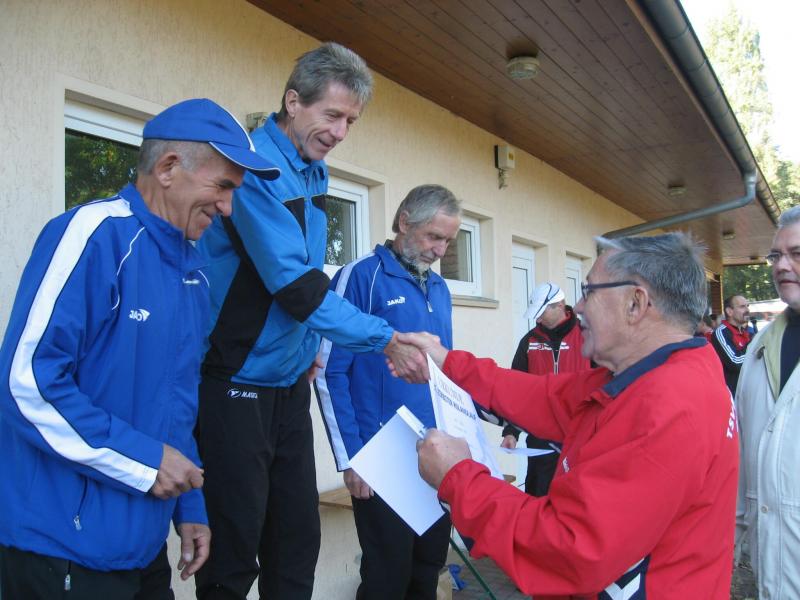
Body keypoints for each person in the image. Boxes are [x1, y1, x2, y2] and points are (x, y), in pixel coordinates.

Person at [0, 98, 279, 599]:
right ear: (168, 168)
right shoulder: (93, 235)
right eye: (222, 186)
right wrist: (147, 461)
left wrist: (189, 505)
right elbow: (27, 384)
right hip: (62, 549)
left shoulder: (193, 273)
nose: (227, 207)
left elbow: (176, 405)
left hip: (143, 549)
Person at [194, 43, 428, 600]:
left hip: (287, 386)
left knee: (296, 542)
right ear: (293, 102)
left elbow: (307, 279)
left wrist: (306, 354)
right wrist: (386, 339)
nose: (341, 132)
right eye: (333, 115)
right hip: (235, 382)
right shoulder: (255, 167)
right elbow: (296, 285)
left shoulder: (315, 171)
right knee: (233, 553)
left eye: (351, 121)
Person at [398, 233, 738, 599]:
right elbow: (544, 397)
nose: (578, 306)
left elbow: (569, 549)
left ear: (635, 303)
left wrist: (458, 477)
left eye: (589, 291)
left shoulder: (671, 405)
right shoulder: (646, 377)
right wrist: (447, 362)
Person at [316, 184, 461, 599]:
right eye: (434, 237)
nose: (440, 250)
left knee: (426, 574)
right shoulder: (361, 276)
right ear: (404, 221)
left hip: (434, 456)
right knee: (386, 580)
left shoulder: (440, 288)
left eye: (448, 241)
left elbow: (444, 374)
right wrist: (352, 459)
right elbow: (329, 371)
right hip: (380, 459)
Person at [735, 205, 800, 599]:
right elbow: (743, 453)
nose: (782, 266)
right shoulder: (760, 347)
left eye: (797, 253)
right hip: (772, 574)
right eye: (776, 255)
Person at [501, 282, 589, 496]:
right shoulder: (529, 342)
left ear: (560, 305)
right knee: (537, 496)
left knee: (574, 497)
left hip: (579, 435)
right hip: (540, 438)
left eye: (541, 313)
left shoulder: (588, 337)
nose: (538, 319)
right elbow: (516, 390)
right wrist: (511, 432)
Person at [711, 294, 752, 393]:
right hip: (734, 394)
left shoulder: (746, 332)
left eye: (747, 306)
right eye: (742, 307)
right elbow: (735, 362)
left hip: (750, 391)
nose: (747, 310)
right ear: (729, 311)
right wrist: (754, 345)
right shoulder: (721, 333)